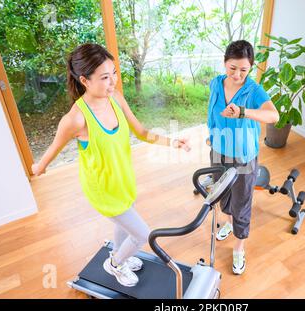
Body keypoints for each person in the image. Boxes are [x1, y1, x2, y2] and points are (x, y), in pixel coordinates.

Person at [31, 43, 191, 287]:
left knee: (124, 225)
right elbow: (52, 150)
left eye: (114, 73)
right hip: (103, 190)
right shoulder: (76, 119)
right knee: (141, 235)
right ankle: (115, 263)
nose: (113, 81)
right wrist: (38, 168)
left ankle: (120, 255)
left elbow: (142, 132)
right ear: (84, 80)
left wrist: (173, 142)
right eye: (105, 77)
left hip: (124, 180)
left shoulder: (115, 97)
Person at [207, 40, 279, 275]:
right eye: (232, 68)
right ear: (224, 63)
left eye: (243, 70)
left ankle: (239, 247)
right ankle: (228, 223)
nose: (237, 74)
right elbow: (211, 112)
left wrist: (244, 112)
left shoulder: (254, 90)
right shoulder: (215, 84)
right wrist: (211, 134)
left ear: (251, 69)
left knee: (241, 201)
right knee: (223, 195)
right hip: (218, 151)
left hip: (243, 158)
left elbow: (273, 116)